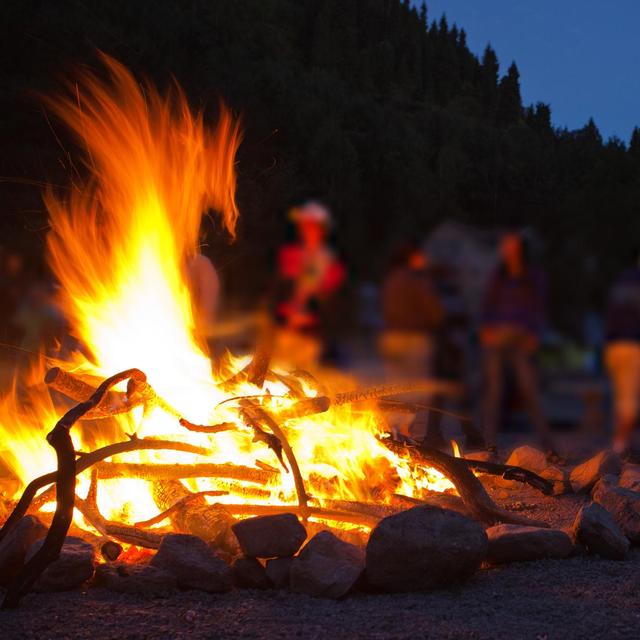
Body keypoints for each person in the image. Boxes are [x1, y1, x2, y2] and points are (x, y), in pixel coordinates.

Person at [479, 232, 557, 458]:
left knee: (529, 390)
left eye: (511, 246)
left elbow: (539, 307)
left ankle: (548, 444)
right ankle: (490, 444)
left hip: (522, 338)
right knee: (494, 390)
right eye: (505, 246)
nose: (507, 250)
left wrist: (534, 333)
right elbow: (488, 305)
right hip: (497, 337)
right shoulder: (499, 276)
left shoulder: (533, 276)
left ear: (520, 249)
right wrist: (486, 329)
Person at [379, 242, 444, 441]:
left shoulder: (390, 280)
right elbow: (435, 312)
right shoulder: (417, 280)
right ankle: (413, 438)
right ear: (412, 258)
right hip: (415, 339)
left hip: (392, 338)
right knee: (417, 392)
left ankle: (395, 434)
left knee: (395, 389)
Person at [273, 201, 346, 369]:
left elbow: (332, 298)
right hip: (286, 328)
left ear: (323, 229)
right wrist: (286, 313)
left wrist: (312, 315)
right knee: (282, 373)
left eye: (313, 227)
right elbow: (280, 290)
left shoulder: (331, 260)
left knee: (305, 375)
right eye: (305, 226)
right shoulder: (289, 255)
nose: (308, 230)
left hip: (312, 332)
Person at [604, 252, 640, 460]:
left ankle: (624, 447)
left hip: (614, 346)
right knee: (629, 405)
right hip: (632, 346)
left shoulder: (623, 280)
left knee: (623, 399)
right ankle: (617, 451)